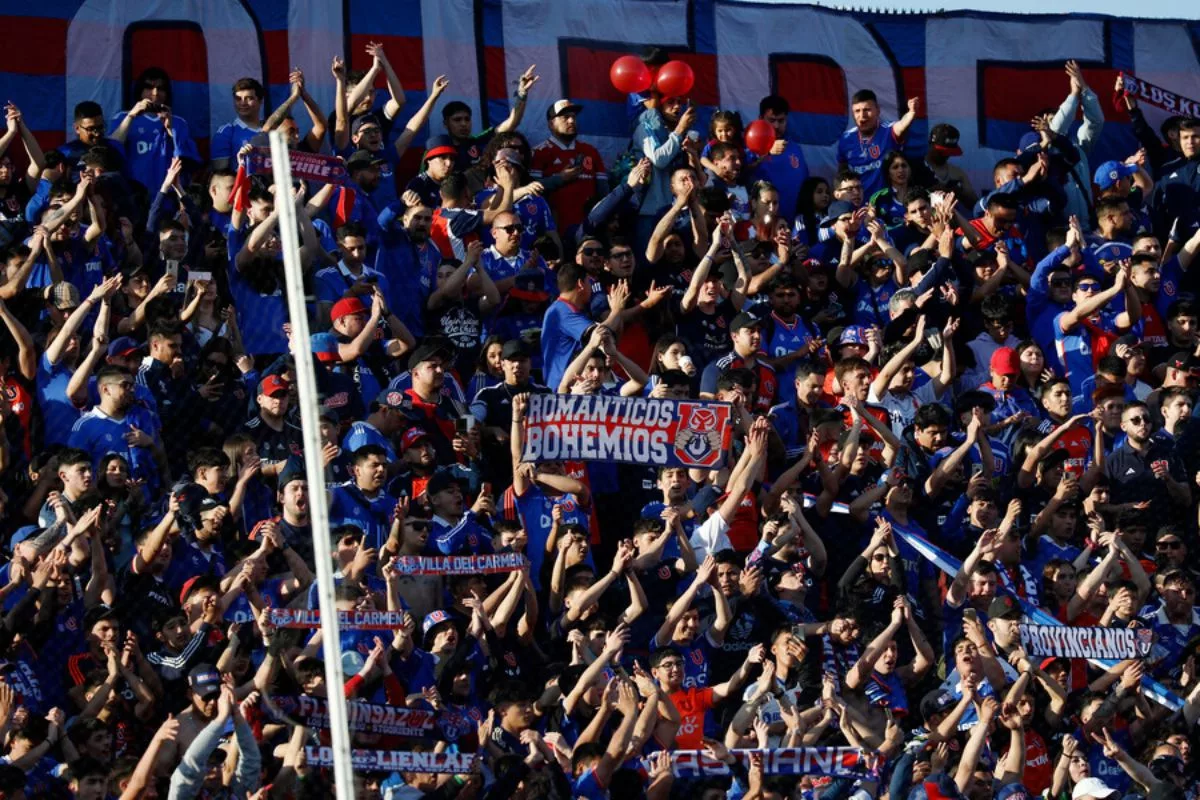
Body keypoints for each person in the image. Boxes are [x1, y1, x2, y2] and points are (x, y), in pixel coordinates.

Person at [837, 90, 919, 195]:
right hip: (858, 207)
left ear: (878, 110)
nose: (862, 116)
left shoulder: (888, 131)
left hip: (886, 205)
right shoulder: (846, 138)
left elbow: (902, 125)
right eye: (857, 111)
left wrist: (911, 113)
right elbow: (841, 171)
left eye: (867, 110)